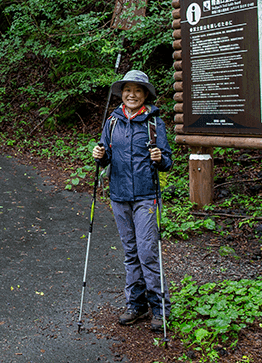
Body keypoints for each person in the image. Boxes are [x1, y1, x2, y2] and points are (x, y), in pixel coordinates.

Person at [92, 69, 173, 331]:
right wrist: (99, 154)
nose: (132, 95)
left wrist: (161, 158)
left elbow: (167, 161)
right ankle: (136, 306)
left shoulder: (153, 123)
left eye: (138, 90)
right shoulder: (112, 122)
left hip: (146, 196)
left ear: (145, 95)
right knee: (130, 252)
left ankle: (160, 309)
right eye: (128, 90)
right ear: (122, 93)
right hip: (119, 195)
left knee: (147, 252)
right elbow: (105, 157)